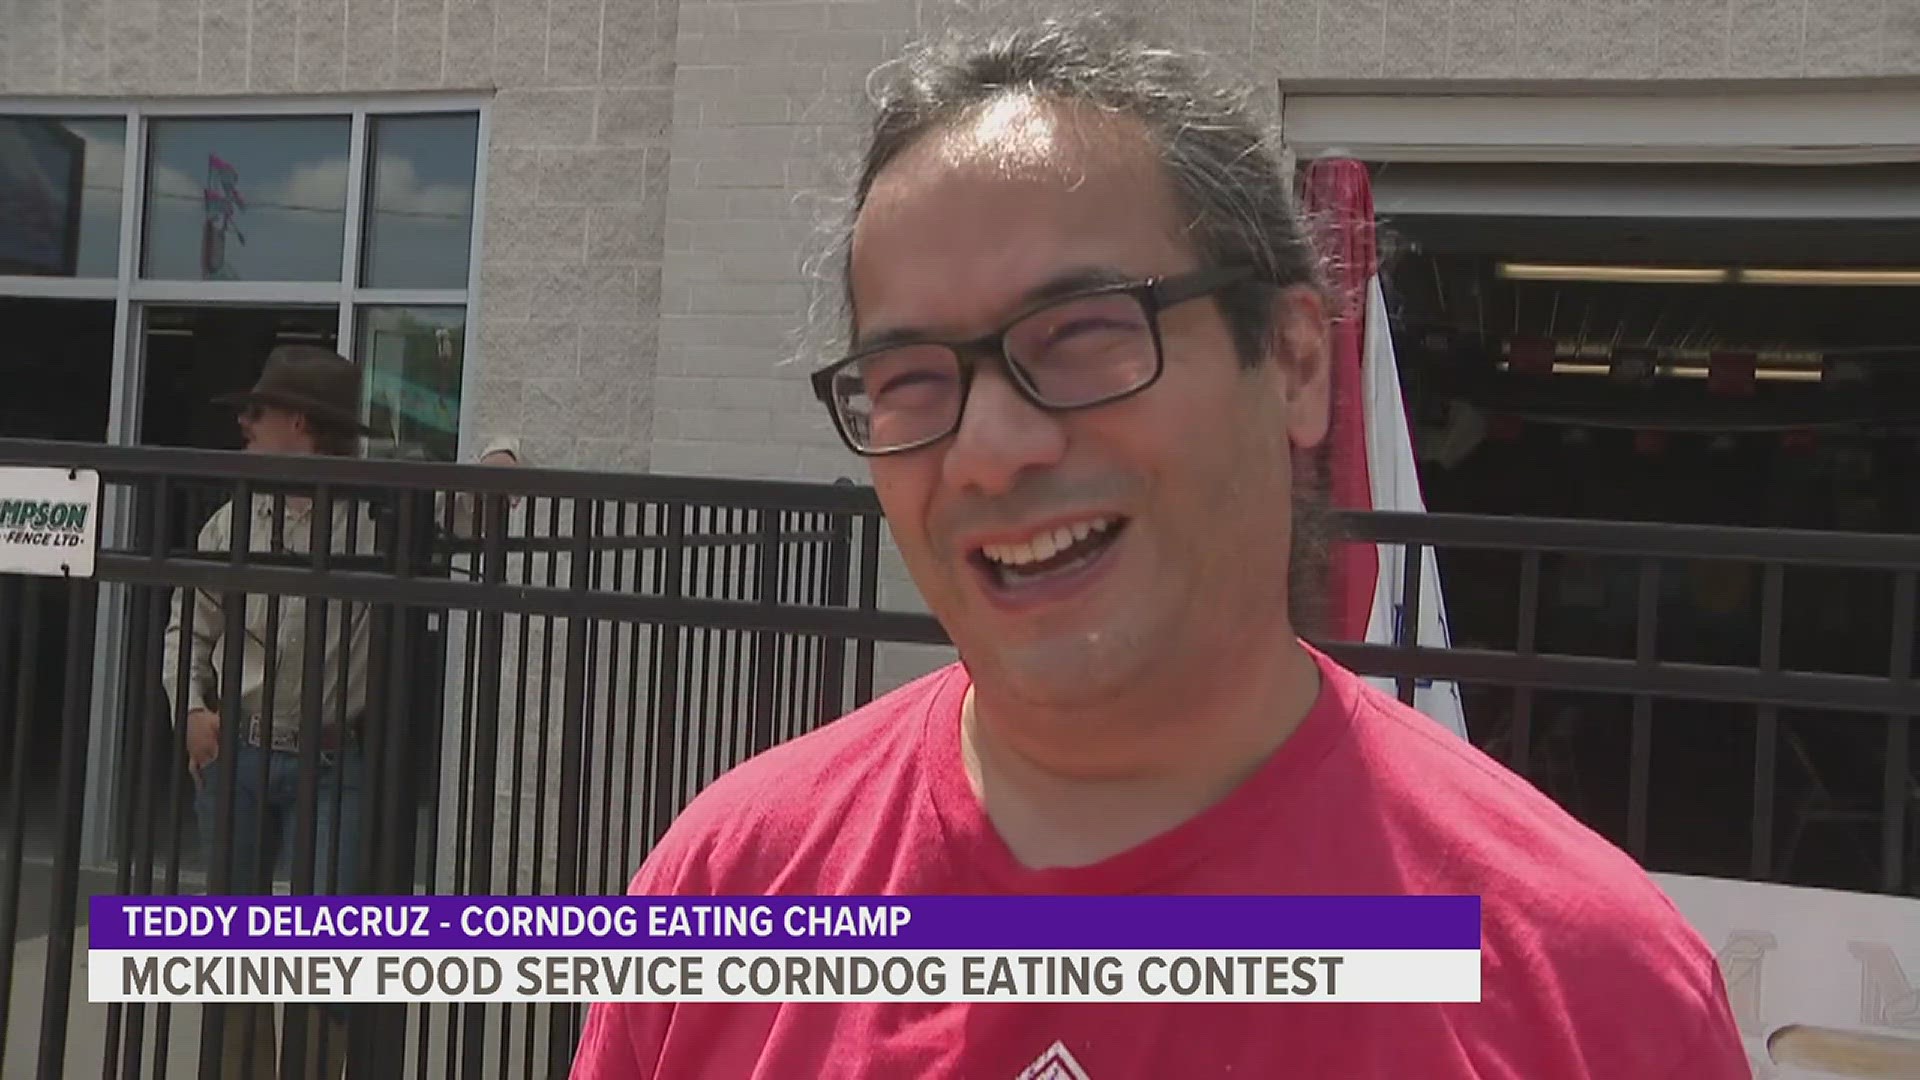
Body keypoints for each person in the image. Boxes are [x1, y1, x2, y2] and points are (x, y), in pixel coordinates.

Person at [571, 15, 1748, 1079]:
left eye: (1082, 332)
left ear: (1291, 363)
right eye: (910, 378)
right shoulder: (731, 892)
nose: (989, 451)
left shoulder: (1587, 991)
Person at [160, 344, 519, 1079]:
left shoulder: (377, 519)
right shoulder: (236, 521)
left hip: (330, 759)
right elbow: (186, 627)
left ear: (301, 423)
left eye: (257, 414)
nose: (245, 427)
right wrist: (191, 709)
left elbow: (469, 510)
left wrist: (501, 458)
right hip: (239, 750)